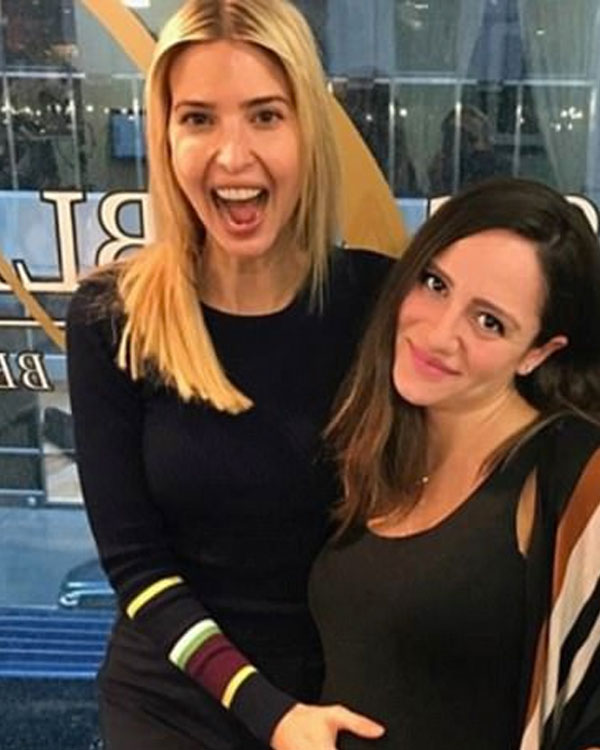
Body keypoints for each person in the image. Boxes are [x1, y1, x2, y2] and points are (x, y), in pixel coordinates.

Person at [66, 1, 390, 748]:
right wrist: (269, 713)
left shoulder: (380, 305)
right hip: (174, 700)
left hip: (341, 691)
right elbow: (137, 567)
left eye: (265, 116)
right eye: (198, 119)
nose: (232, 156)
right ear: (165, 136)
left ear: (308, 129)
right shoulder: (111, 319)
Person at [310, 177, 600, 750]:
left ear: (538, 353)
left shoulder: (572, 474)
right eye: (435, 284)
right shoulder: (380, 442)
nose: (440, 334)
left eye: (489, 322)